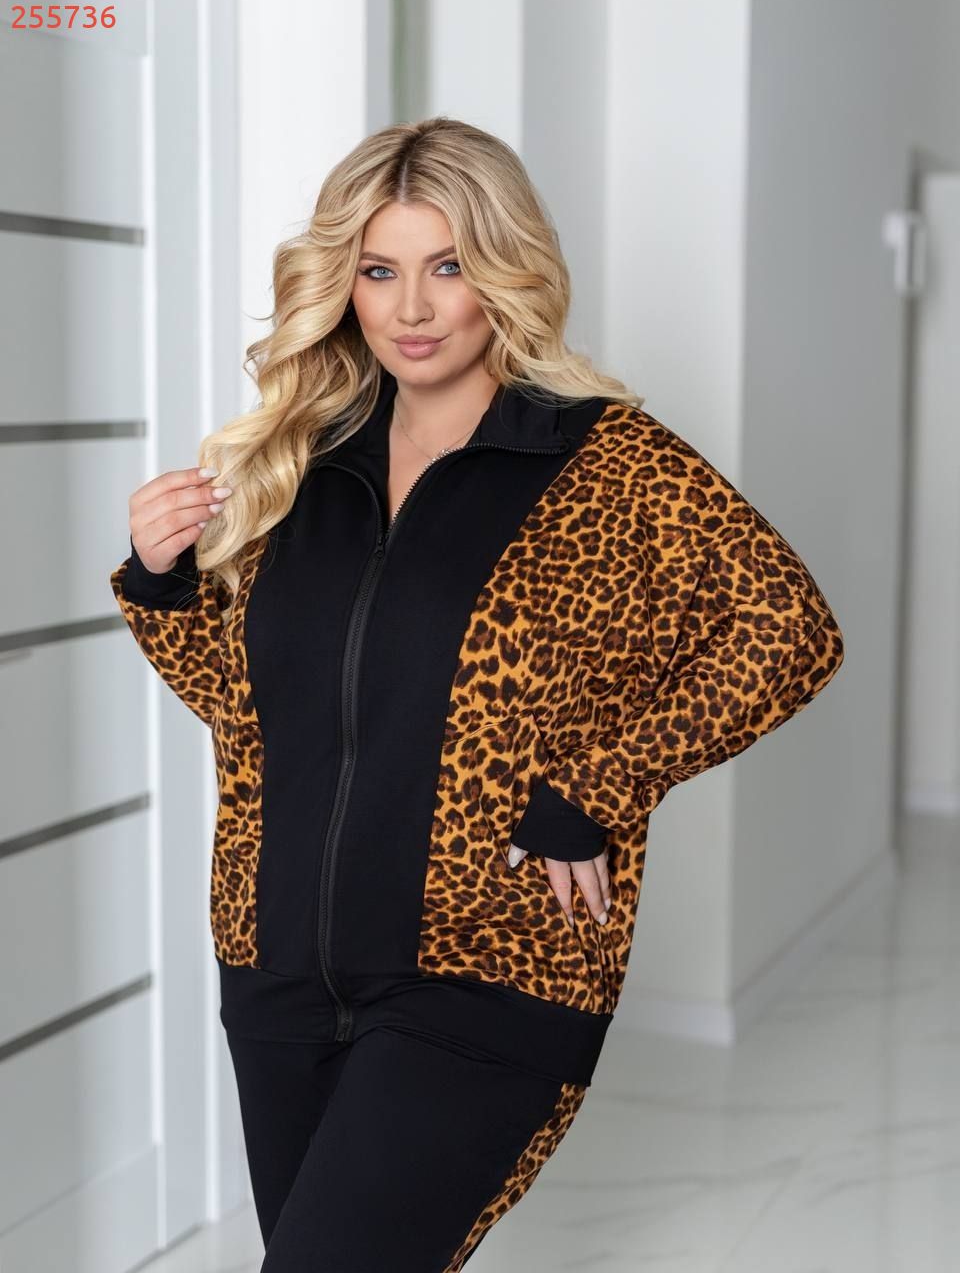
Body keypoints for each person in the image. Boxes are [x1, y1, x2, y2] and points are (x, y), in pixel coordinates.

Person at [109, 116, 845, 1272]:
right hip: (279, 963)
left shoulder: (605, 462)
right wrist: (160, 582)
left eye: (447, 265)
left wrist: (598, 784)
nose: (412, 307)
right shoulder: (306, 462)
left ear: (503, 268)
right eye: (378, 270)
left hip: (486, 963)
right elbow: (258, 710)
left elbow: (789, 629)